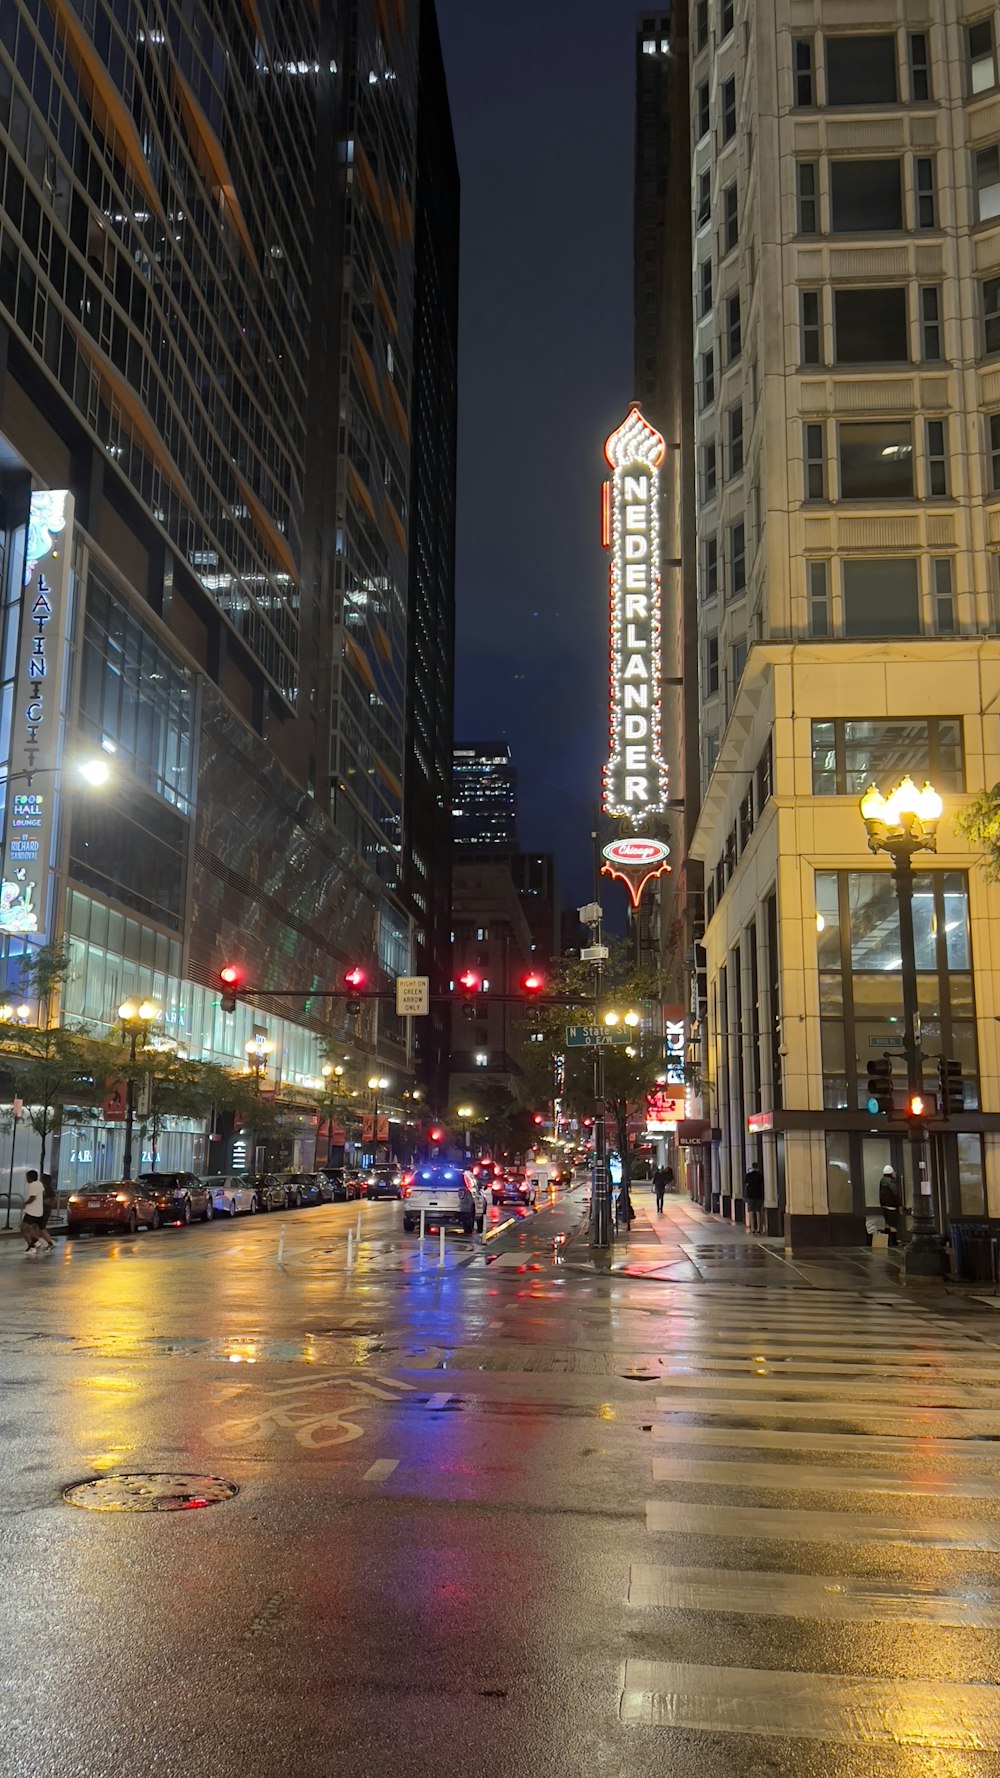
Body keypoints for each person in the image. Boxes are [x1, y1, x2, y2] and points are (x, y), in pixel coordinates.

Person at [21, 1170, 53, 1256]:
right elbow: (42, 1194)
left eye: (27, 1177)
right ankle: (37, 1243)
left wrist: (25, 1203)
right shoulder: (39, 1184)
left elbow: (33, 1197)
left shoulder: (33, 1185)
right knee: (36, 1228)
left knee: (24, 1228)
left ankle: (33, 1246)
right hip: (39, 1211)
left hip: (32, 1211)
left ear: (30, 1177)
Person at [879, 1163, 902, 1244]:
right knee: (893, 1225)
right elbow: (895, 1194)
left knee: (887, 1224)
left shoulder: (882, 1180)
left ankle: (887, 1241)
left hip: (884, 1206)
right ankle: (894, 1241)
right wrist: (899, 1204)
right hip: (892, 1206)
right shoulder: (891, 1182)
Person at [743, 1160, 766, 1234]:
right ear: (758, 1167)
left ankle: (752, 1228)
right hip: (758, 1195)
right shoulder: (760, 1175)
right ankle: (759, 1228)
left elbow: (745, 1183)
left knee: (751, 1212)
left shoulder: (748, 1175)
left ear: (752, 1167)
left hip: (750, 1196)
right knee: (758, 1212)